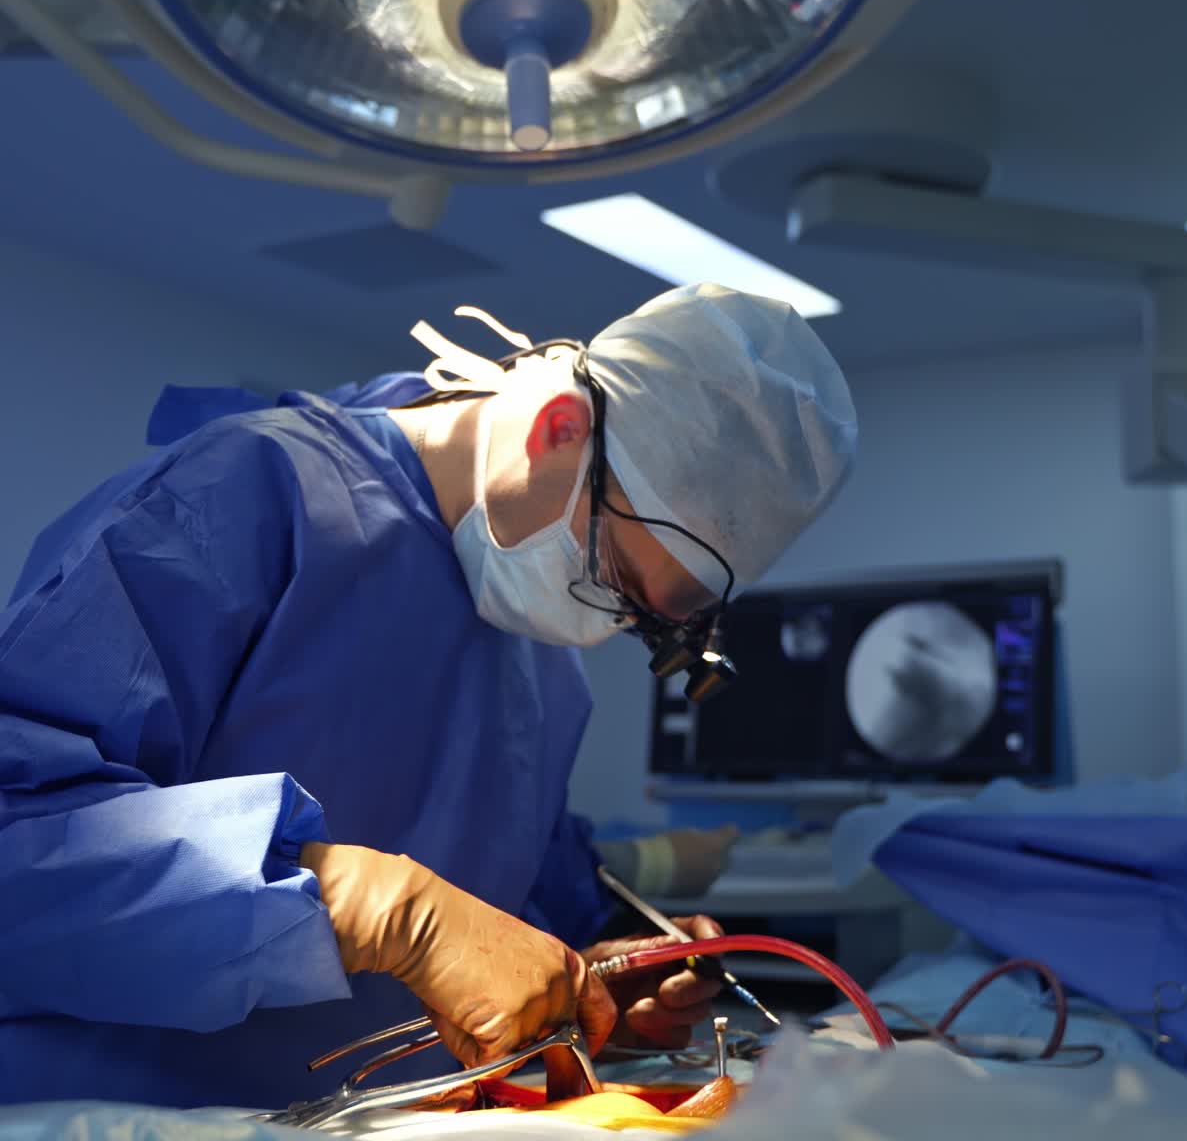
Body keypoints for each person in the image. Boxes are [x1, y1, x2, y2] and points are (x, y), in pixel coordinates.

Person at [0, 283, 857, 1109]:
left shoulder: (540, 659)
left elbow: (509, 906)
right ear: (560, 427)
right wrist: (375, 908)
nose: (598, 625)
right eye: (613, 573)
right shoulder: (244, 499)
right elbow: (20, 841)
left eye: (641, 620)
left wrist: (579, 991)